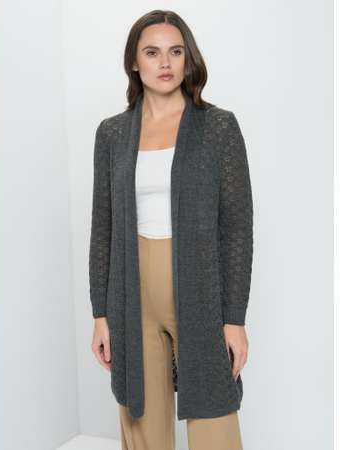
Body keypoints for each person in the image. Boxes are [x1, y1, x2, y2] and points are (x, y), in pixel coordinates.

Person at [89, 9, 253, 450]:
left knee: (215, 422)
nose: (165, 63)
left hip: (200, 292)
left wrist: (234, 319)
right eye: (152, 52)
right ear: (134, 61)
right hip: (131, 295)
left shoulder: (218, 127)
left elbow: (237, 228)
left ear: (187, 58)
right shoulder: (112, 134)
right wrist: (100, 314)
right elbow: (103, 227)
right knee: (143, 425)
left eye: (175, 51)